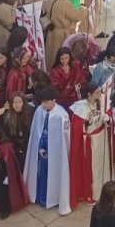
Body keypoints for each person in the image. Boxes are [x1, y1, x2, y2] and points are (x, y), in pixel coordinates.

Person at [24, 85, 72, 215]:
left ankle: (52, 198)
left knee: (53, 174)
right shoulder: (39, 111)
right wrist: (39, 147)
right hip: (40, 150)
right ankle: (38, 196)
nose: (43, 105)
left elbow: (65, 138)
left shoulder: (62, 115)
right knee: (39, 173)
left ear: (53, 100)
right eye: (42, 102)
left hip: (55, 153)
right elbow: (36, 131)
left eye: (46, 102)